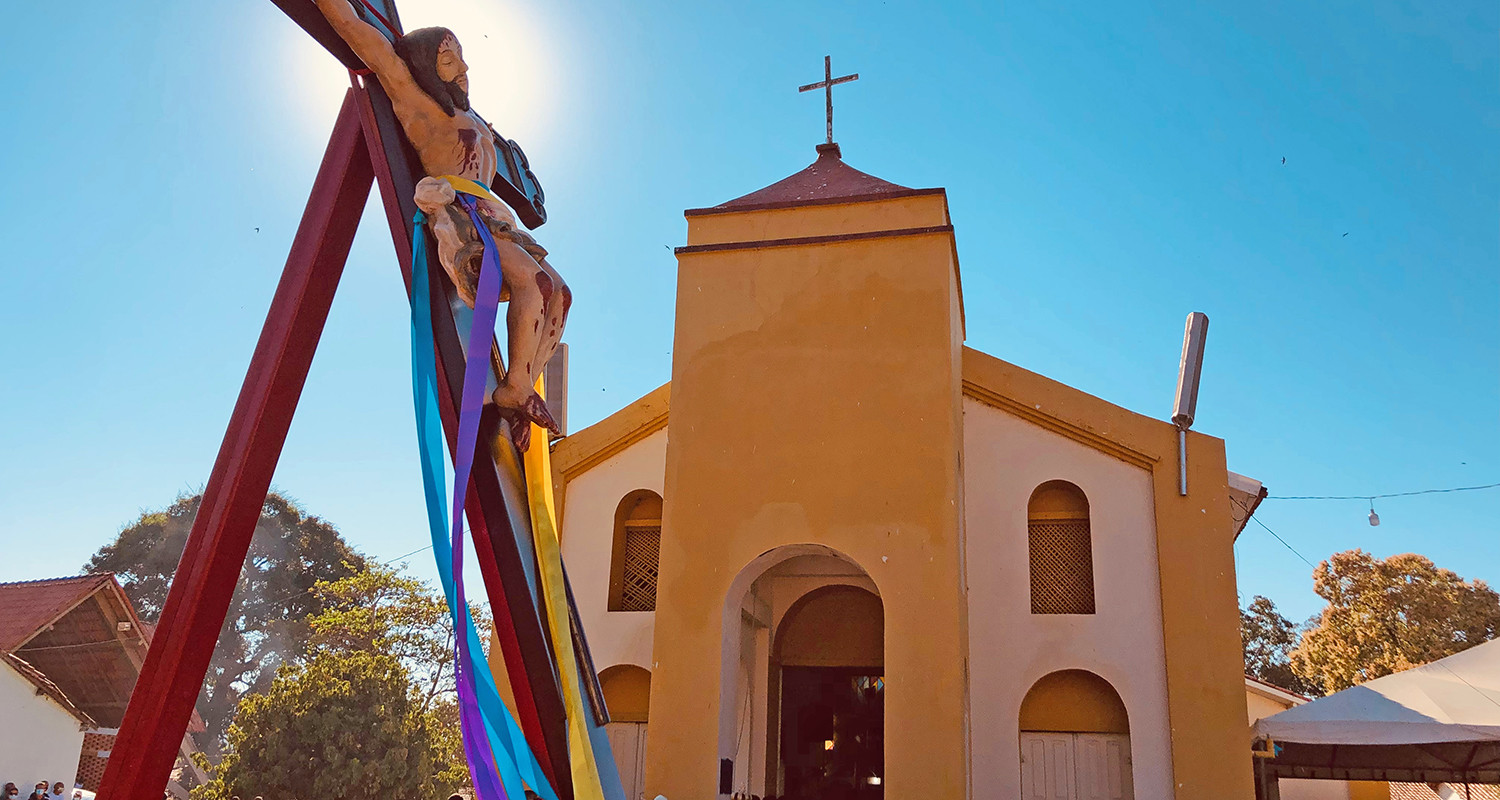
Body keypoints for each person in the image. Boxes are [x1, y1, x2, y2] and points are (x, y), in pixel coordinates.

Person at [314, 0, 570, 452]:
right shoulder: (418, 103)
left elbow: (516, 176)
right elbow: (359, 31)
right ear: (425, 67)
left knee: (561, 294)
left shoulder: (475, 120)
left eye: (462, 56)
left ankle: (522, 383)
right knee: (537, 286)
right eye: (448, 59)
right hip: (465, 218)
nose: (463, 66)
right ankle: (514, 387)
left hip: (496, 218)